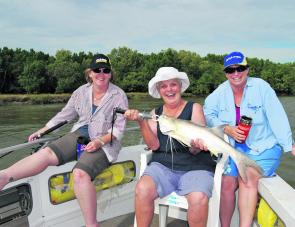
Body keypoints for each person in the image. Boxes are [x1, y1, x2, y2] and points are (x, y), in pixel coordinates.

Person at [0, 54, 128, 227]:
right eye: (97, 70)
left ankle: (92, 224)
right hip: (79, 136)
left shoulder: (118, 95)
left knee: (79, 174)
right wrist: (43, 130)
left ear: (110, 74)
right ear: (90, 73)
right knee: (46, 153)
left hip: (104, 141)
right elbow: (65, 116)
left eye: (106, 70)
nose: (101, 74)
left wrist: (99, 142)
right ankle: (5, 176)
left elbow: (118, 130)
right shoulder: (80, 92)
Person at [203, 51, 295, 227]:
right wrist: (227, 128)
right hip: (234, 149)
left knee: (248, 178)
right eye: (231, 70)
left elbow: (277, 117)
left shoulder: (262, 87)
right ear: (225, 73)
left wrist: (288, 145)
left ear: (248, 69)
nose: (236, 74)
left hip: (264, 147)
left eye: (240, 68)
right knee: (227, 183)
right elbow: (207, 112)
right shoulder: (220, 92)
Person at [124, 67, 216, 227]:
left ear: (180, 86)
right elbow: (153, 145)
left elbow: (197, 147)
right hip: (163, 166)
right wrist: (141, 121)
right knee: (142, 189)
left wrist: (196, 146)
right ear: (159, 91)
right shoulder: (155, 113)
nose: (169, 90)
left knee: (198, 198)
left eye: (173, 84)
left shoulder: (194, 108)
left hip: (195, 167)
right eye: (163, 86)